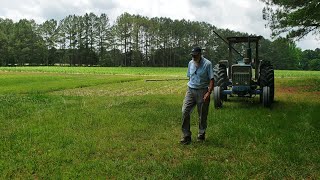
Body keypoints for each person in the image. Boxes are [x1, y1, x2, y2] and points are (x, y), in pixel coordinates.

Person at [180, 47, 214, 145]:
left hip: (203, 91)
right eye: (192, 55)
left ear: (200, 54)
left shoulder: (208, 64)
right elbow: (190, 77)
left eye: (195, 55)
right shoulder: (190, 63)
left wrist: (208, 93)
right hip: (190, 91)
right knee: (185, 111)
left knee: (202, 114)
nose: (193, 57)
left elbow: (212, 79)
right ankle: (186, 136)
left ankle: (201, 134)